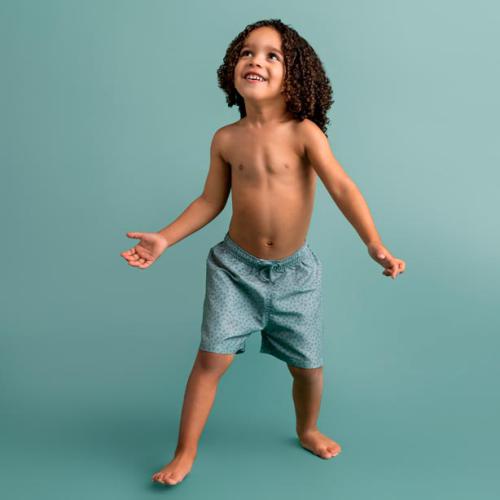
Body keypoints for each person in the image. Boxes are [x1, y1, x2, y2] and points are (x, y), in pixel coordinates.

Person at [120, 18, 406, 486]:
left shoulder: (304, 133)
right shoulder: (226, 139)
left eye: (273, 55)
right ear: (232, 68)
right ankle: (184, 452)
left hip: (296, 274)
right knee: (210, 361)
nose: (256, 60)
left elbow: (342, 187)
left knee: (308, 367)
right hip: (234, 269)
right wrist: (165, 237)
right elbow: (210, 201)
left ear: (295, 75)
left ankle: (307, 429)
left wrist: (374, 243)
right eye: (247, 52)